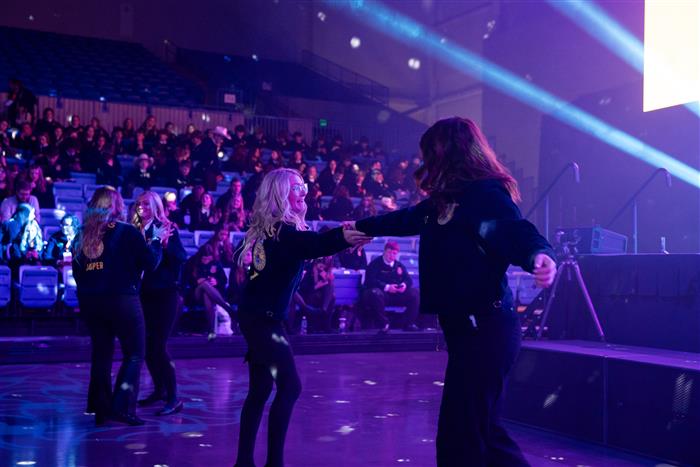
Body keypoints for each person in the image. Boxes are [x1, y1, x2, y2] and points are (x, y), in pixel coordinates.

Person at [353, 117, 557, 467]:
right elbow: (404, 219)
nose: (426, 163)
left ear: (450, 153)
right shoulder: (446, 201)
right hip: (468, 330)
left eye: (430, 154)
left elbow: (516, 232)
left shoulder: (485, 196)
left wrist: (539, 254)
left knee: (464, 435)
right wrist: (359, 228)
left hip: (487, 329)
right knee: (480, 432)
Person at [233, 168, 370, 467]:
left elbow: (311, 245)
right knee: (290, 386)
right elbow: (316, 245)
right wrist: (346, 235)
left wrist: (343, 237)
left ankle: (244, 462)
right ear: (280, 193)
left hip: (258, 316)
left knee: (260, 389)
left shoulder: (274, 230)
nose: (304, 193)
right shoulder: (283, 232)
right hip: (263, 320)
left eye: (303, 186)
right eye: (296, 187)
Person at [72, 187, 166, 426]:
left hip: (91, 302)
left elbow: (77, 273)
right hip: (122, 299)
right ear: (116, 206)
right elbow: (150, 262)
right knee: (135, 353)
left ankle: (100, 408)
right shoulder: (126, 231)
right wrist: (156, 240)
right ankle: (122, 408)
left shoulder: (82, 233)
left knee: (101, 354)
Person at [131, 191, 187, 416]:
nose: (141, 207)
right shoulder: (136, 230)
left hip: (165, 294)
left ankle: (174, 396)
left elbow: (181, 257)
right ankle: (159, 390)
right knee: (147, 346)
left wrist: (165, 245)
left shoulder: (166, 227)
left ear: (155, 206)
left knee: (158, 346)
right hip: (144, 294)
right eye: (139, 203)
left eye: (146, 204)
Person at [361, 240, 420, 333]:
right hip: (382, 295)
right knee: (374, 293)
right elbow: (370, 281)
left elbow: (409, 280)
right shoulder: (374, 264)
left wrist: (404, 285)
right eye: (389, 252)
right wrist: (387, 287)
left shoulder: (399, 265)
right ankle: (384, 324)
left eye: (394, 253)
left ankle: (408, 323)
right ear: (384, 251)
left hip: (397, 295)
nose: (391, 255)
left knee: (415, 293)